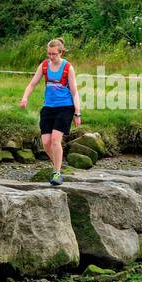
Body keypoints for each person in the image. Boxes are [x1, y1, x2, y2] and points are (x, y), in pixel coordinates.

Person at [19, 38, 82, 185]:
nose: (51, 57)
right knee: (46, 143)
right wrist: (24, 98)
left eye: (54, 54)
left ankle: (57, 173)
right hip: (48, 108)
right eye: (49, 54)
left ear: (61, 52)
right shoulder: (44, 66)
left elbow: (74, 92)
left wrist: (77, 113)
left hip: (65, 107)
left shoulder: (68, 68)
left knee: (55, 139)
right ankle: (59, 165)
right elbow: (32, 84)